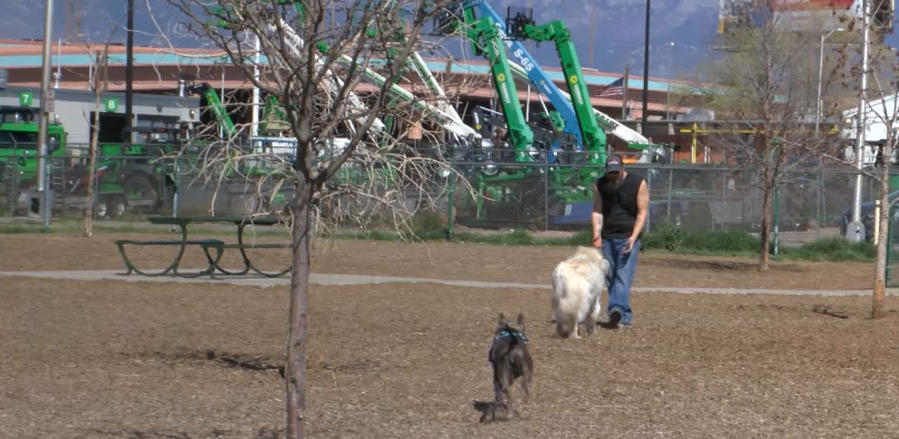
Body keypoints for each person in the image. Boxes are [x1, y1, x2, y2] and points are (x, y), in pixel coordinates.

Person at [591, 154, 649, 328]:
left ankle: (616, 310)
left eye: (616, 172)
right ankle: (623, 314)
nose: (613, 176)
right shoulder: (599, 184)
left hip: (627, 236)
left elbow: (642, 212)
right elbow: (597, 210)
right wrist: (596, 236)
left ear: (623, 169)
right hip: (607, 236)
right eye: (610, 173)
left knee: (622, 276)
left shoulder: (638, 183)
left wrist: (633, 237)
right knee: (610, 276)